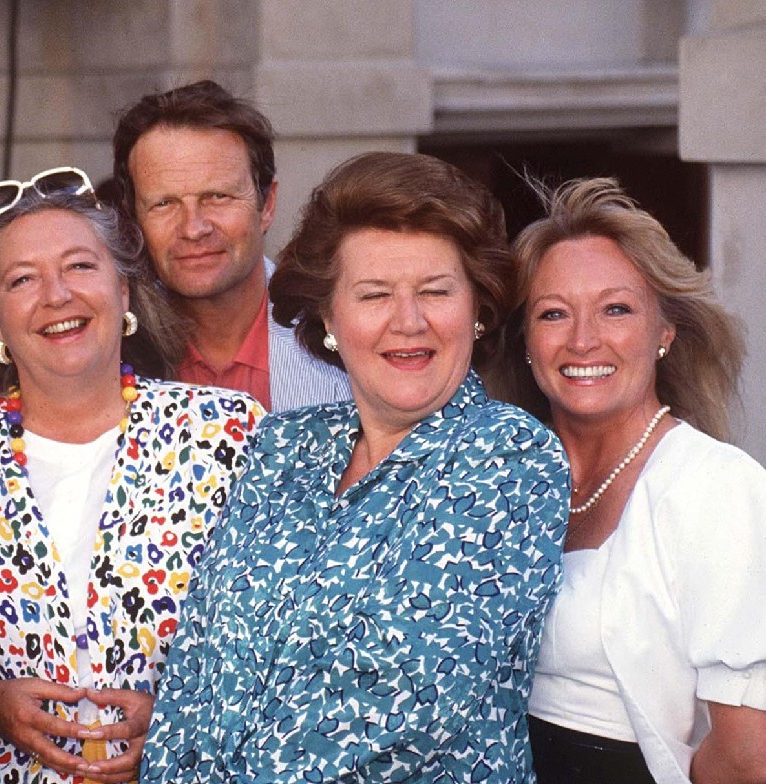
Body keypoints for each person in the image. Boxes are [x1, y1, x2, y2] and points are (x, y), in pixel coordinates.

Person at [143, 152, 570, 783]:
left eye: (435, 291)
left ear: (477, 311)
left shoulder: (510, 458)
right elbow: (195, 672)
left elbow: (410, 704)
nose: (409, 321)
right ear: (328, 319)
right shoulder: (281, 447)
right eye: (374, 295)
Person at [0, 167, 265, 783]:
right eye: (22, 280)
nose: (56, 295)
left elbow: (277, 641)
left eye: (81, 267)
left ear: (125, 293)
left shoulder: (227, 435)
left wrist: (183, 722)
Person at [506, 177, 766, 784]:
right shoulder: (500, 475)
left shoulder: (716, 487)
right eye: (553, 313)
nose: (583, 340)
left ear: (665, 331)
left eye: (616, 308)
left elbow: (751, 754)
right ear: (525, 340)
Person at [111, 79, 350, 411]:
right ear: (135, 219)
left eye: (217, 197)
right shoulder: (108, 349)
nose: (194, 228)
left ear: (266, 205)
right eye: (164, 204)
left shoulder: (344, 337)